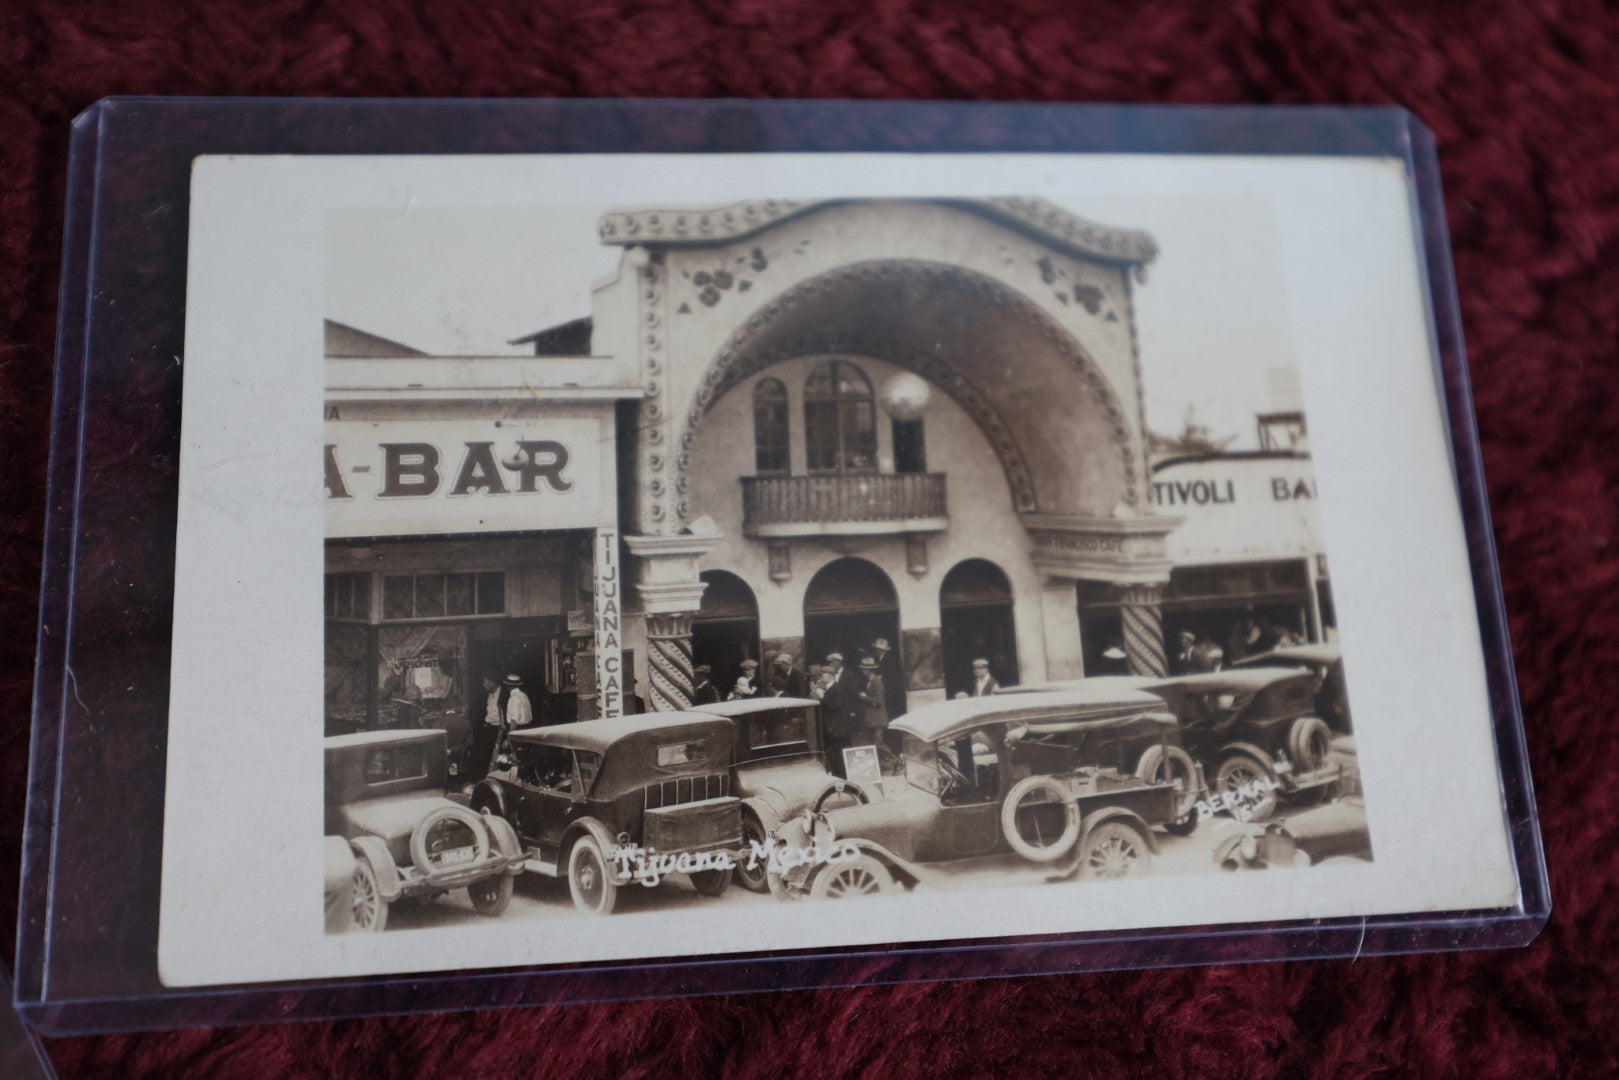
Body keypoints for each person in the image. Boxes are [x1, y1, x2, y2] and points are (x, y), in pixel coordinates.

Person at [818, 652, 858, 776]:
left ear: (830, 675)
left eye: (823, 674)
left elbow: (836, 707)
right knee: (834, 755)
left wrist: (822, 696)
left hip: (836, 729)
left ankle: (841, 777)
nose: (821, 676)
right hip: (832, 729)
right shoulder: (830, 688)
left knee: (838, 755)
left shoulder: (836, 688)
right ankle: (838, 775)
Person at [856, 656, 889, 754]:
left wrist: (864, 697)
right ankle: (887, 763)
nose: (862, 671)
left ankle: (896, 761)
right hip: (874, 719)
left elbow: (878, 701)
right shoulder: (871, 681)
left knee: (878, 743)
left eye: (863, 669)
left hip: (878, 719)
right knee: (875, 744)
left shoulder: (876, 682)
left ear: (867, 670)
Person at [869, 637, 906, 719]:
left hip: (891, 693)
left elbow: (892, 678)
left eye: (877, 649)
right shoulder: (882, 659)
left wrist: (879, 678)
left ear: (881, 650)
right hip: (889, 692)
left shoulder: (889, 660)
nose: (876, 651)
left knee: (891, 714)